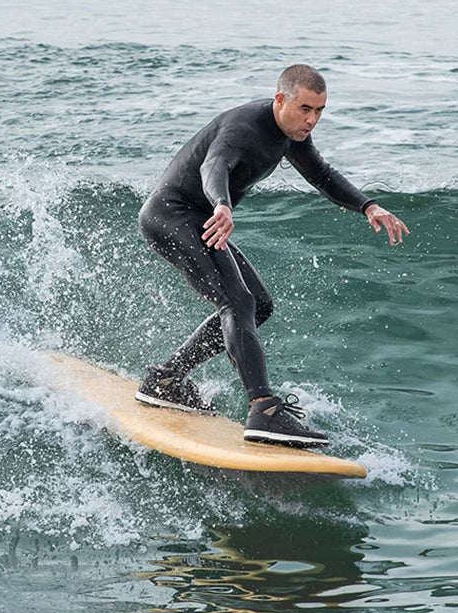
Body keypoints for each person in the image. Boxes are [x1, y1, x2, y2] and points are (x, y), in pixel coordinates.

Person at [136, 63, 409, 448]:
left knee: (258, 304)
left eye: (319, 111)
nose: (312, 120)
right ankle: (263, 409)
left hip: (202, 217)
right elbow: (215, 165)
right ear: (280, 100)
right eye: (305, 109)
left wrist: (368, 207)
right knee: (236, 301)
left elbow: (323, 176)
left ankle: (166, 379)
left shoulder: (292, 134)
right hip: (174, 215)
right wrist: (222, 204)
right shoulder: (243, 129)